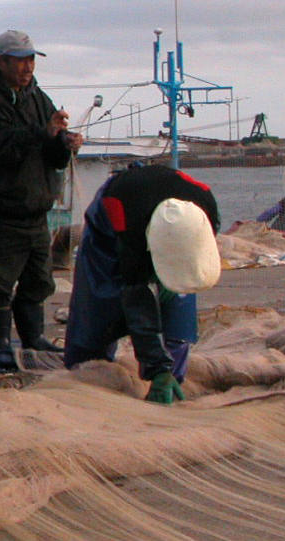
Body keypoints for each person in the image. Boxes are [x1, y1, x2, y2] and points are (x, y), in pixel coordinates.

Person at [0, 30, 83, 352]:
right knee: (0, 284)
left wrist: (64, 143)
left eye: (31, 59)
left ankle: (33, 339)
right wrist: (43, 132)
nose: (28, 67)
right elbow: (0, 149)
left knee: (38, 282)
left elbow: (51, 154)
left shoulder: (38, 97)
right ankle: (1, 344)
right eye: (20, 60)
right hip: (0, 212)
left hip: (35, 211)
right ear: (1, 61)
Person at [64, 163, 221, 404]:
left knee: (181, 295)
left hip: (161, 215)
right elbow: (137, 300)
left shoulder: (205, 207)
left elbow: (195, 253)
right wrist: (156, 368)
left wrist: (172, 281)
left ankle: (175, 378)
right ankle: (90, 368)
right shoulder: (128, 227)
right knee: (99, 300)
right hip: (113, 220)